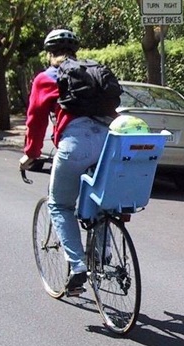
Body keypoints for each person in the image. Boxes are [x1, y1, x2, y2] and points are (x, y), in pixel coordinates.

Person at [19, 29, 111, 293]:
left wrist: (31, 153)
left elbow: (36, 118)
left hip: (75, 145)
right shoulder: (93, 72)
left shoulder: (47, 77)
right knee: (103, 205)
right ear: (75, 52)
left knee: (60, 205)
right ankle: (103, 256)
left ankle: (78, 265)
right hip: (109, 143)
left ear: (50, 53)